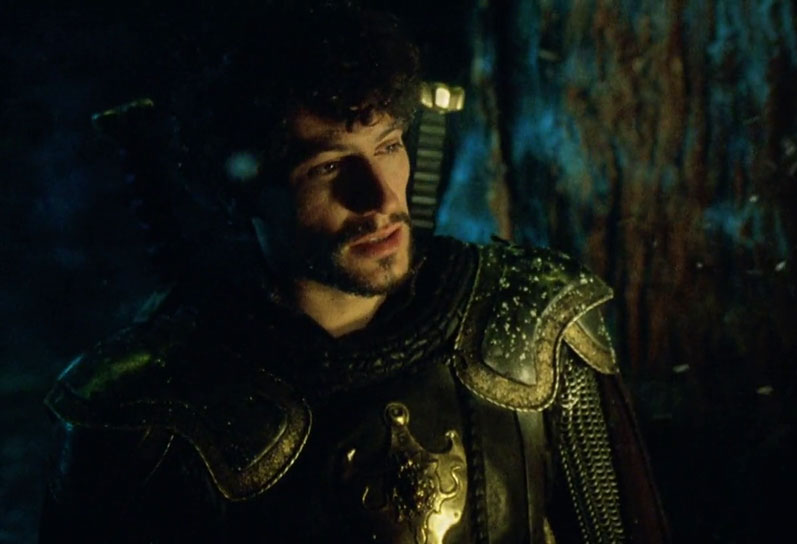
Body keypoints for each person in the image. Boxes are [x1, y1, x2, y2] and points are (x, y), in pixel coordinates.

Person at [38, 4, 667, 543]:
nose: (379, 198)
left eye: (388, 146)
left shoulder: (529, 327)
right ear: (246, 192)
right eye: (328, 167)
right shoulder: (143, 411)